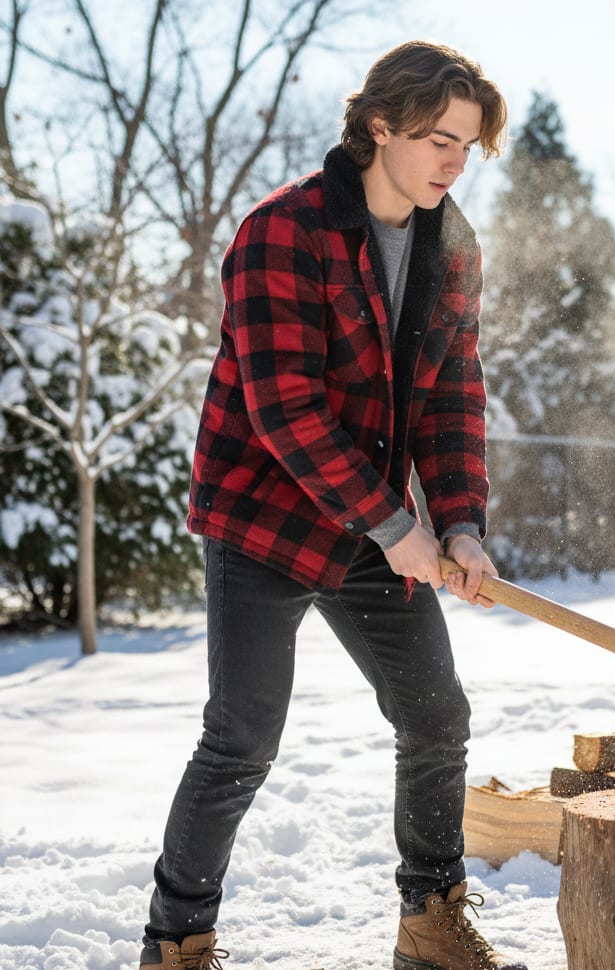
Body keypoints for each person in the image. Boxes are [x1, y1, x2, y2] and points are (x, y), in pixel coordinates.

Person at [139, 40, 525, 970]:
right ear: (379, 126)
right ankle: (177, 942)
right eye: (437, 140)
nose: (454, 163)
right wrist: (395, 526)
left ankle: (430, 923)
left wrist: (460, 523)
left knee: (437, 716)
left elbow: (451, 395)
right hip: (264, 515)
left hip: (371, 526)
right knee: (242, 739)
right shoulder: (283, 231)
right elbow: (285, 407)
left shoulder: (452, 245)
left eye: (467, 146)